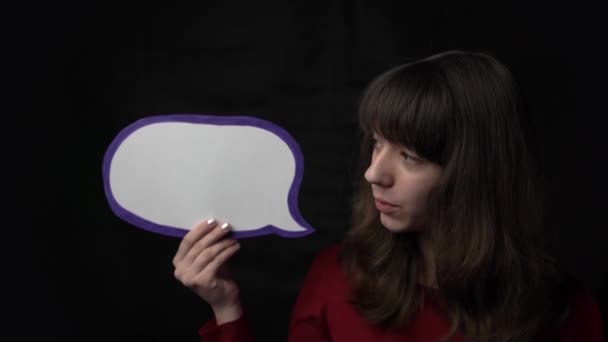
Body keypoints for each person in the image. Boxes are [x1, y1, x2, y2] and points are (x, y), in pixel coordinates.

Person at [172, 50, 604, 342]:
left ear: (474, 174)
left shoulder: (563, 312)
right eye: (377, 143)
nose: (374, 173)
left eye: (411, 157)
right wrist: (226, 308)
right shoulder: (336, 278)